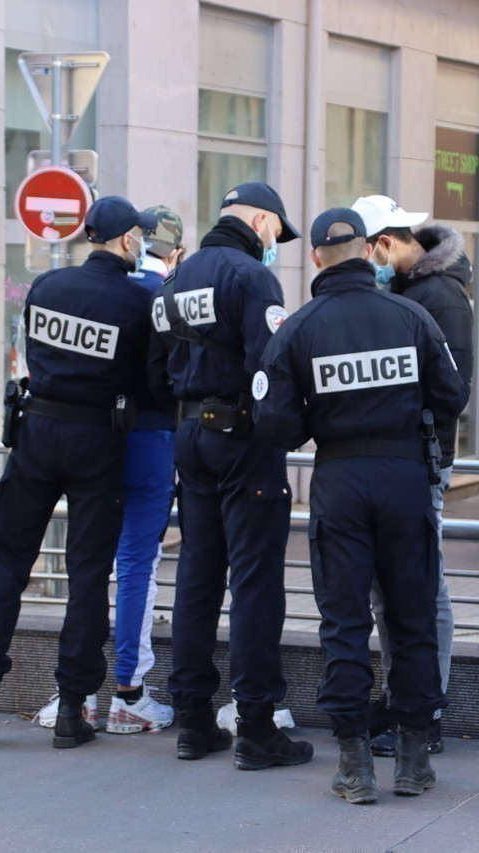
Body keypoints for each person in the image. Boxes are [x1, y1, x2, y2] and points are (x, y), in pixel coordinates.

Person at [255, 207, 469, 803]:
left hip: (341, 479)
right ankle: (413, 761)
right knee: (412, 617)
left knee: (345, 622)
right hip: (405, 477)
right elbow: (453, 395)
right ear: (369, 252)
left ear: (318, 256)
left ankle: (353, 765)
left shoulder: (298, 328)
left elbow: (275, 426)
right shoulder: (412, 315)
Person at [0, 196, 157, 749]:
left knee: (7, 563)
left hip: (36, 433)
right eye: (139, 234)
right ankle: (72, 709)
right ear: (124, 239)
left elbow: (30, 355)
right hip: (97, 440)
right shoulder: (137, 302)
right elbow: (149, 383)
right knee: (88, 575)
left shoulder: (47, 287)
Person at [151, 182, 313, 770]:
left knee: (196, 575)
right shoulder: (251, 277)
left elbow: (156, 367)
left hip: (188, 435)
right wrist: (283, 432)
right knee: (255, 581)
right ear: (262, 220)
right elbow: (269, 367)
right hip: (243, 438)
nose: (274, 242)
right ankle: (257, 726)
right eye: (275, 231)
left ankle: (192, 720)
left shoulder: (177, 277)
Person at [34, 206, 189, 734]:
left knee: (86, 562)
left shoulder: (83, 286)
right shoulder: (161, 297)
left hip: (89, 436)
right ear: (177, 253)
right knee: (136, 564)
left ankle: (72, 696)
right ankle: (129, 691)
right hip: (148, 438)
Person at [352, 194, 474, 756]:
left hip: (421, 460)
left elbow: (451, 392)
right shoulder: (401, 291)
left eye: (365, 249)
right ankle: (404, 694)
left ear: (385, 243)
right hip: (398, 460)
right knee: (388, 591)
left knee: (424, 588)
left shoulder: (440, 296)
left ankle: (426, 707)